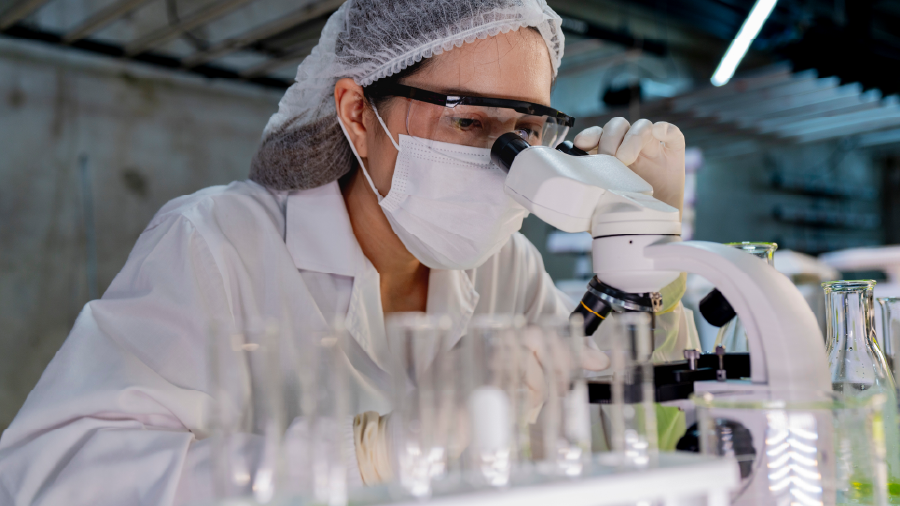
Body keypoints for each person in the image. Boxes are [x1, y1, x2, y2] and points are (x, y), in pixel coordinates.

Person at [0, 0, 696, 504]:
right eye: (469, 121)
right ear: (358, 114)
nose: (504, 161)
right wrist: (368, 451)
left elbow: (640, 435)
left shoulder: (506, 268)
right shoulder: (216, 242)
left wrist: (644, 254)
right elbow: (54, 478)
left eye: (527, 130)